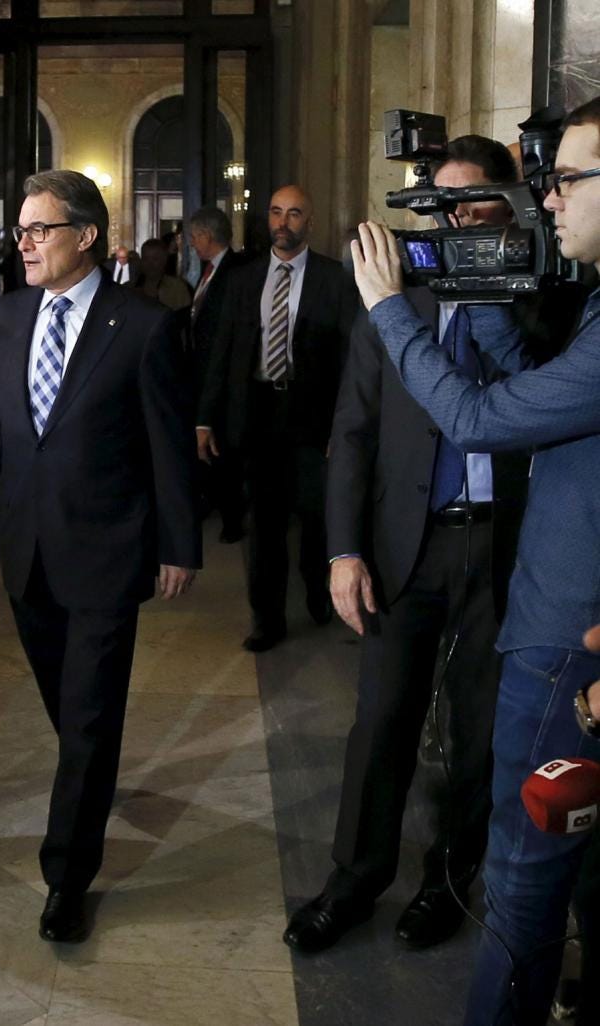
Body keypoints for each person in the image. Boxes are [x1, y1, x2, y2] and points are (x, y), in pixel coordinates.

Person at [347, 94, 600, 1026]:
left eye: (567, 179)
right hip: (522, 598)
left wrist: (388, 308)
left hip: (563, 634)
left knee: (522, 880)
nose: (552, 200)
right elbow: (523, 385)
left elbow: (486, 417)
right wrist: (472, 286)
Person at [284, 136, 532, 955]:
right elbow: (350, 434)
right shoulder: (393, 300)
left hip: (504, 551)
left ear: (513, 202)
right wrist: (342, 550)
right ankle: (353, 881)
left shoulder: (541, 303)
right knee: (381, 720)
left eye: (476, 200)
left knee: (478, 732)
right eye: (442, 203)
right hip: (404, 548)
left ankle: (446, 882)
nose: (458, 217)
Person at [0, 169, 200, 943]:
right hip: (26, 551)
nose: (22, 244)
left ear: (86, 236)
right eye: (19, 232)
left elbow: (168, 445)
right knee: (70, 711)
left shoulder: (141, 326)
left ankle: (67, 877)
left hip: (107, 549)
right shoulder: (1, 320)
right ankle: (90, 779)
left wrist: (178, 542)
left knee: (90, 717)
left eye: (39, 230)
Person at [197, 185, 359, 651]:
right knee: (264, 525)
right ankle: (267, 620)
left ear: (309, 222)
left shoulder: (333, 279)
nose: (282, 222)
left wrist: (343, 427)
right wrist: (205, 418)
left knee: (316, 518)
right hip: (259, 413)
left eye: (293, 214)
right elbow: (222, 352)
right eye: (275, 213)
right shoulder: (244, 279)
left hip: (313, 416)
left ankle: (317, 591)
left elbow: (351, 358)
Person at [187, 206, 250, 544]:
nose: (191, 243)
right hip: (204, 374)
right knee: (209, 445)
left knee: (223, 448)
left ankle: (232, 517)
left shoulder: (236, 270)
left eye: (194, 236)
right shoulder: (209, 269)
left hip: (225, 378)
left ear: (207, 236)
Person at [137, 237, 192, 311]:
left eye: (155, 259)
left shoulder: (178, 288)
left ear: (164, 259)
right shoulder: (130, 288)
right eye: (146, 258)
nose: (150, 264)